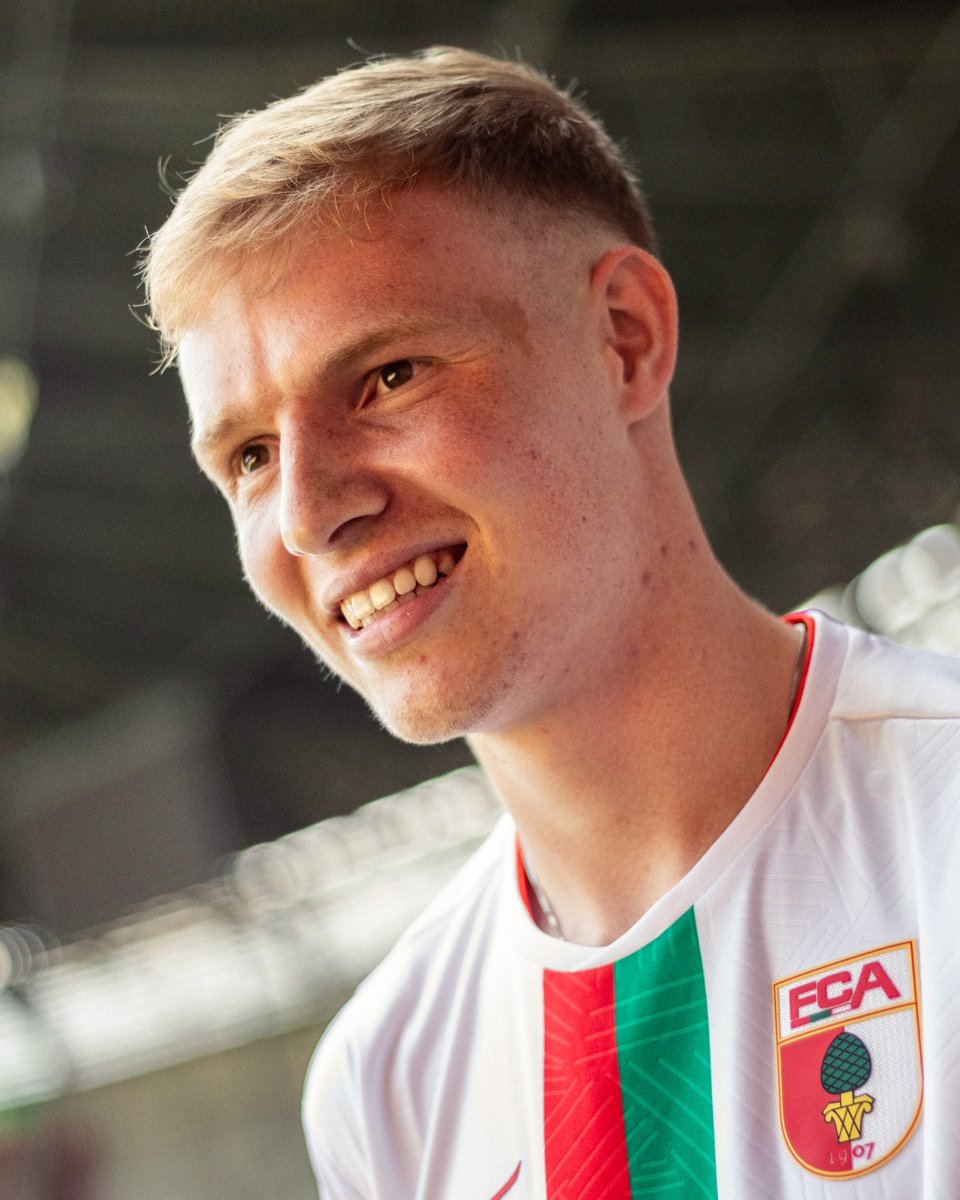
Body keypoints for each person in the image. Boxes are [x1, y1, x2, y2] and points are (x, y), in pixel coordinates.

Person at [142, 47, 960, 1199]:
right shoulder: (388, 1086)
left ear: (625, 339)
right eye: (250, 456)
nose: (311, 514)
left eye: (388, 376)